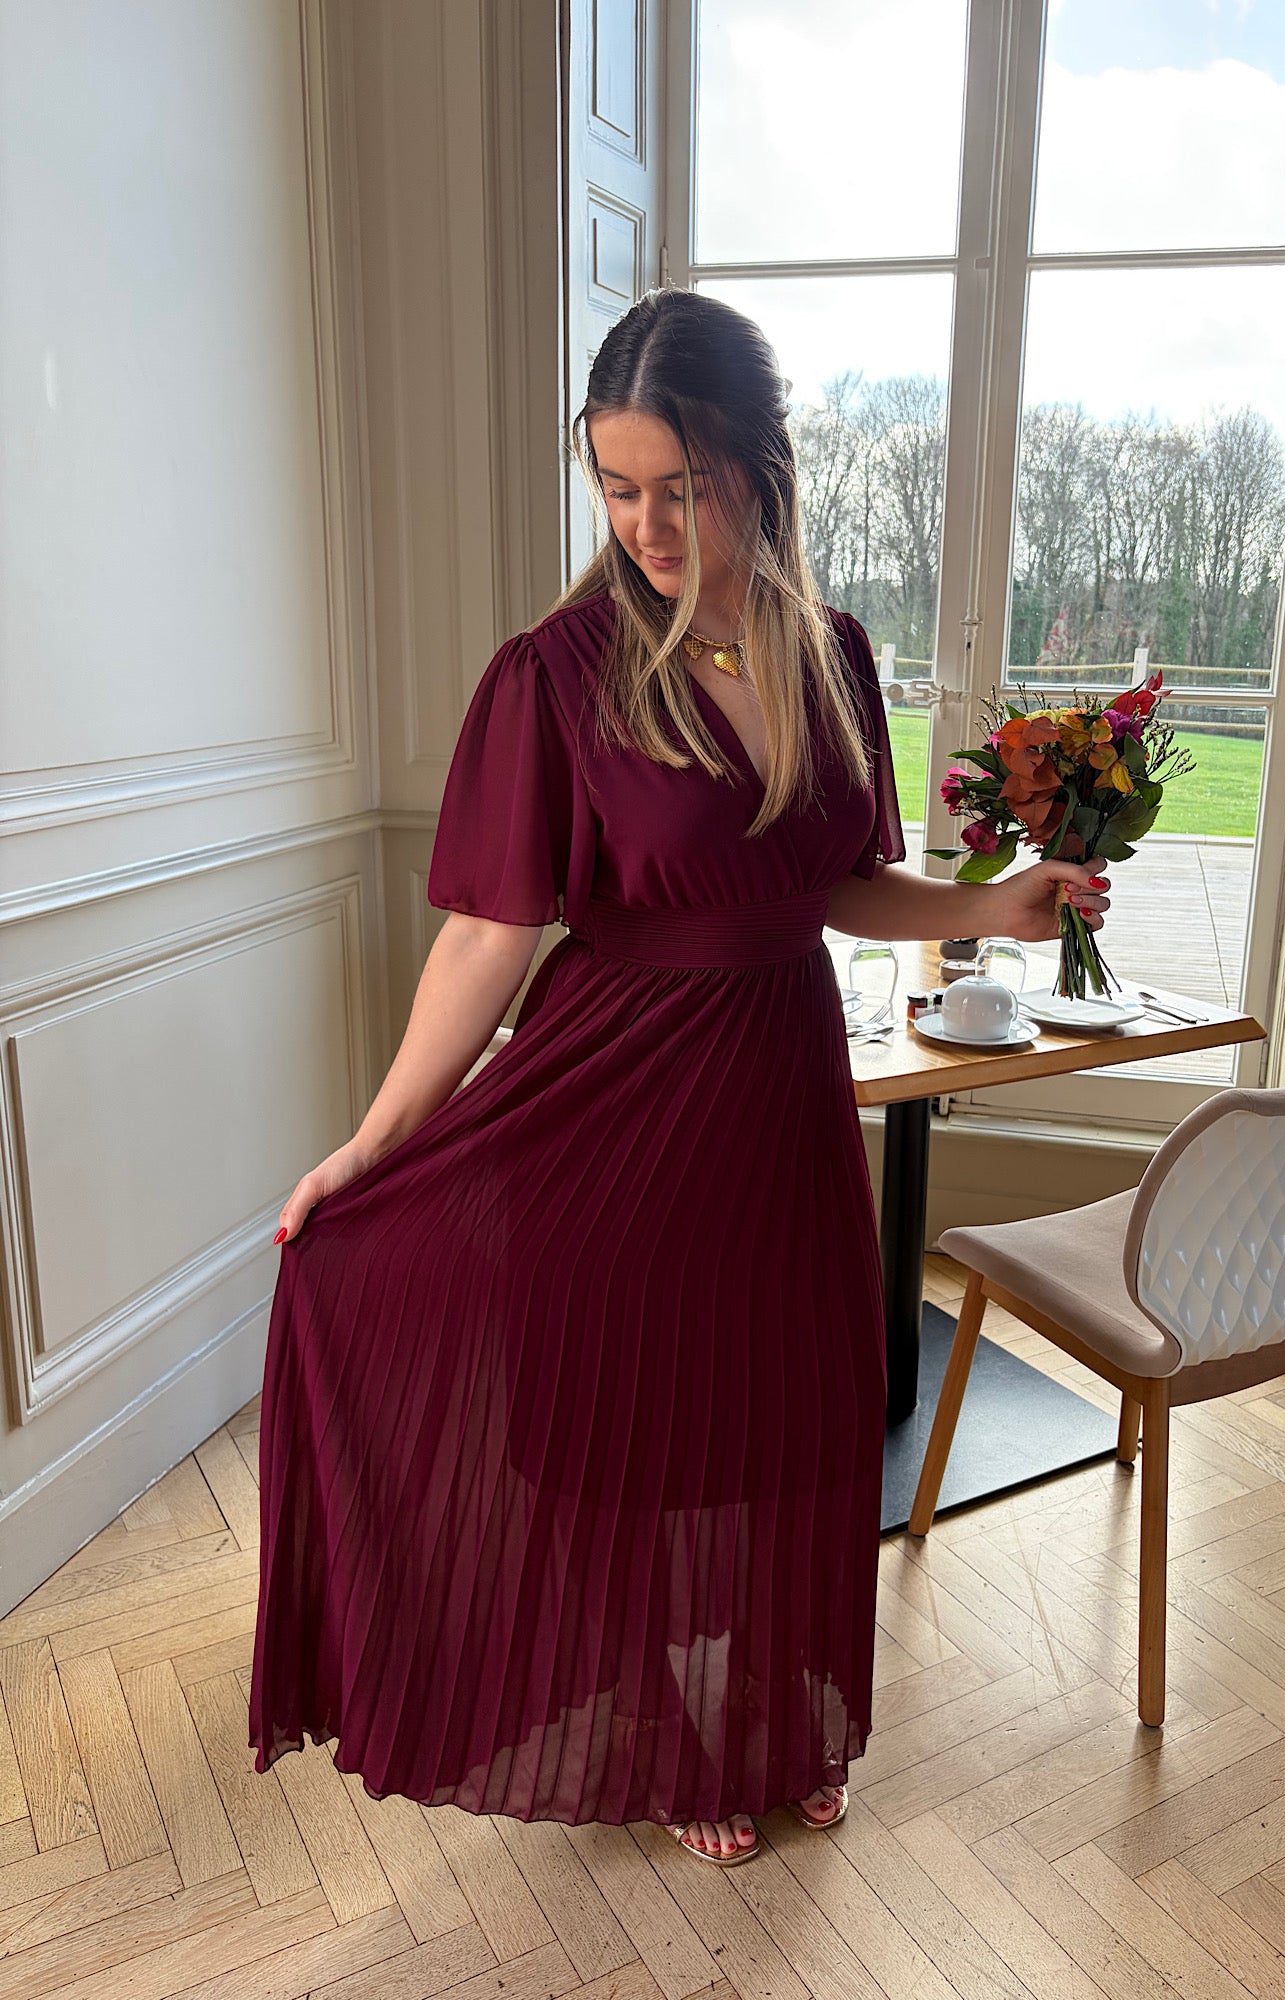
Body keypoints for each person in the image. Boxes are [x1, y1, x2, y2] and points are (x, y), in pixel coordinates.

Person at [247, 288, 1110, 1866]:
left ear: (761, 472)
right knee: (627, 1430)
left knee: (784, 1409)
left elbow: (838, 884)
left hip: (778, 1094)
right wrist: (373, 1145)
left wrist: (994, 908)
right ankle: (665, 1727)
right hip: (611, 1099)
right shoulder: (556, 672)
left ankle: (779, 1710)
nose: (644, 526)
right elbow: (485, 938)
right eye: (617, 485)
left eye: (681, 487)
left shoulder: (833, 655)